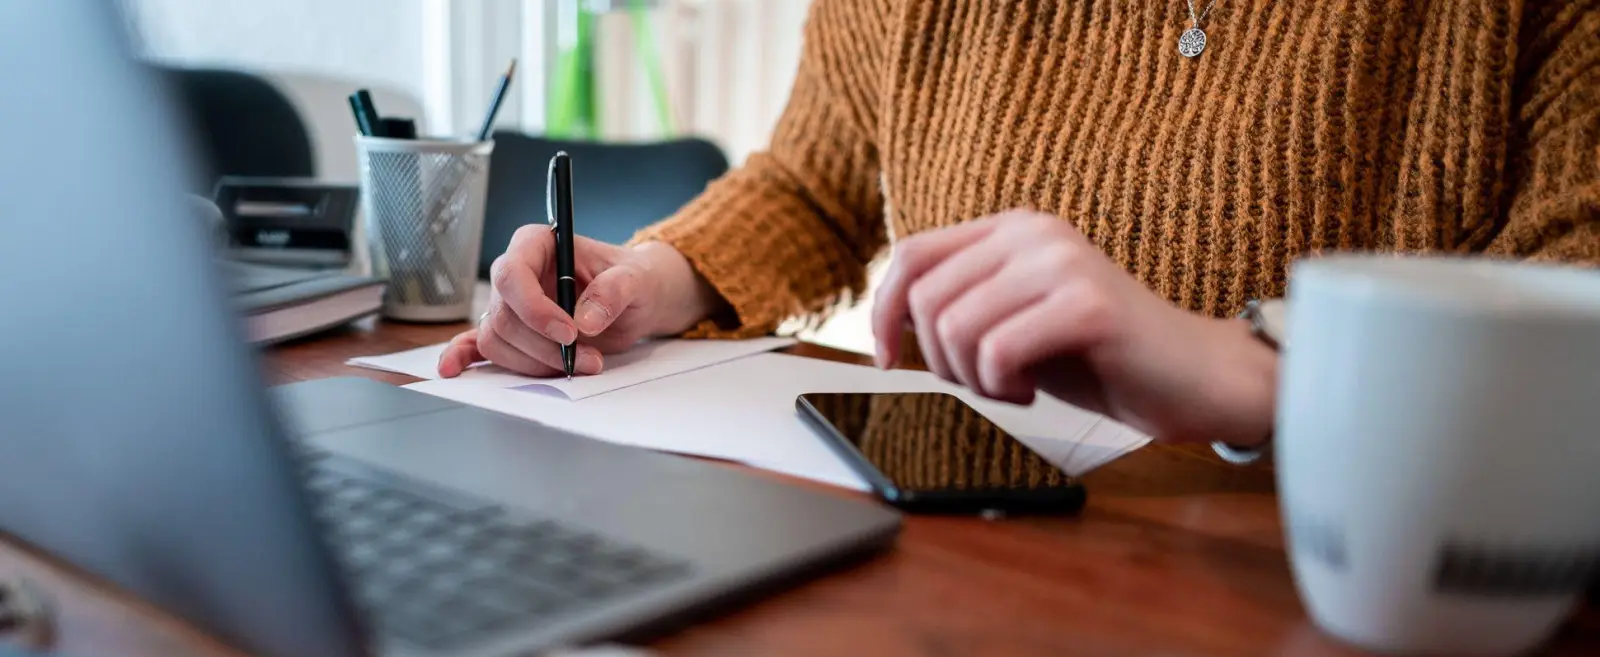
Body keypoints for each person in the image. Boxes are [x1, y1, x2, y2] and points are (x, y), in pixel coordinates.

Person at [440, 0, 1599, 458]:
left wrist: (1259, 375)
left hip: (1334, 617)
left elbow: (1577, 309)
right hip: (965, 568)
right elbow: (812, 179)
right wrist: (648, 274)